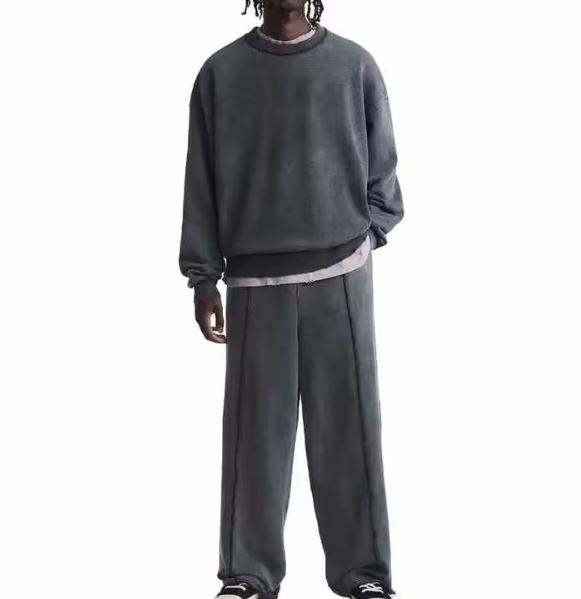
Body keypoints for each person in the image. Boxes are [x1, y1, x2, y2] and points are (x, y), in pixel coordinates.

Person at [179, 1, 404, 598]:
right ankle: (247, 576)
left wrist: (364, 239)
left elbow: (384, 176)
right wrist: (203, 278)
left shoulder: (354, 65)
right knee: (255, 440)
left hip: (340, 275)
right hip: (255, 284)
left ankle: (365, 575)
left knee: (350, 432)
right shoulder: (220, 74)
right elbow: (200, 183)